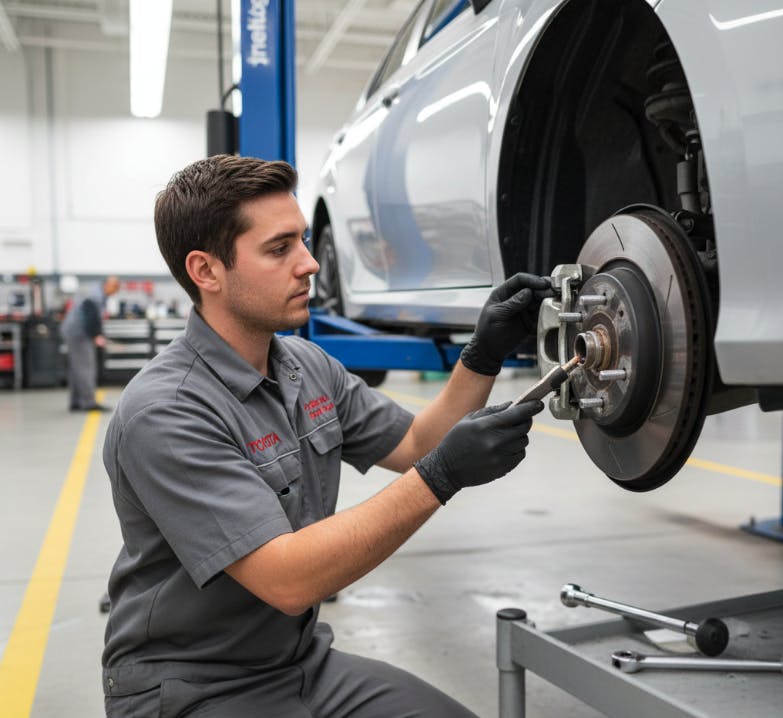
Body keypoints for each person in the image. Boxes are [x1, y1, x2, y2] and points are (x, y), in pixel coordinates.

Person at [101, 154, 550, 717]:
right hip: (190, 686)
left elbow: (416, 445)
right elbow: (288, 580)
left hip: (300, 664)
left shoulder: (307, 368)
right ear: (206, 271)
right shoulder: (165, 412)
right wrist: (442, 477)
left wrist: (482, 355)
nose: (310, 264)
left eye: (304, 242)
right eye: (279, 248)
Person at [60, 275, 120, 412]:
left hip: (73, 331)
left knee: (77, 368)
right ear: (108, 285)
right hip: (79, 333)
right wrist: (96, 335)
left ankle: (76, 402)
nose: (115, 291)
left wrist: (97, 333)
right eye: (115, 288)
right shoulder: (96, 296)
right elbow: (89, 314)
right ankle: (88, 402)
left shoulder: (96, 293)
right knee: (86, 367)